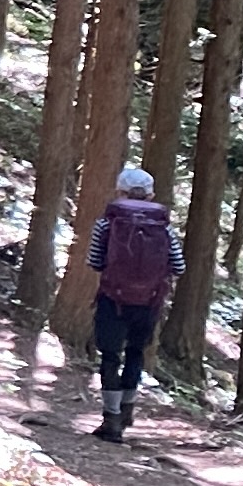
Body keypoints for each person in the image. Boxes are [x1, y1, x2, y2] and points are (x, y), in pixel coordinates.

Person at [85, 165, 182, 444]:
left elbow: (95, 261)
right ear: (150, 196)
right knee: (136, 352)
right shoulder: (164, 227)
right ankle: (127, 409)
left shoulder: (106, 223)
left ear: (121, 191)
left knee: (110, 357)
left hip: (112, 299)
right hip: (149, 301)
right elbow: (178, 265)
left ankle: (111, 418)